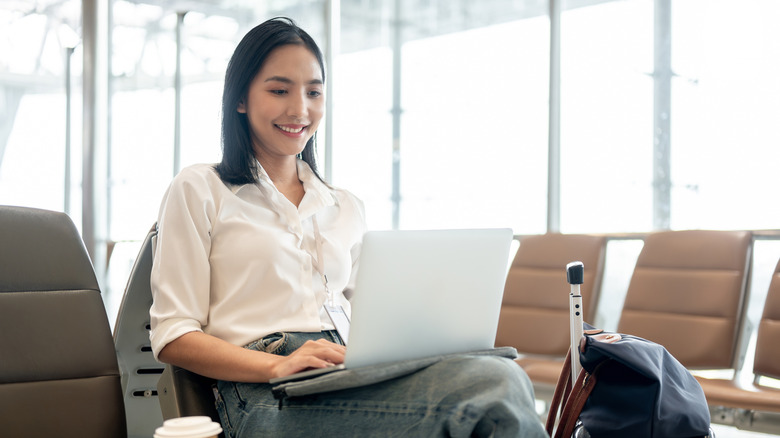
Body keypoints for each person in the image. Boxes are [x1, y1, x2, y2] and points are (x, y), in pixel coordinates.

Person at [149, 17, 547, 438]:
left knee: (493, 371)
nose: (300, 109)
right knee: (491, 388)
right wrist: (277, 364)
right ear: (241, 99)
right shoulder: (201, 188)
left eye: (314, 92)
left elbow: (371, 317)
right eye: (279, 90)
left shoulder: (345, 206)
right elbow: (173, 335)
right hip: (260, 390)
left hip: (344, 369)